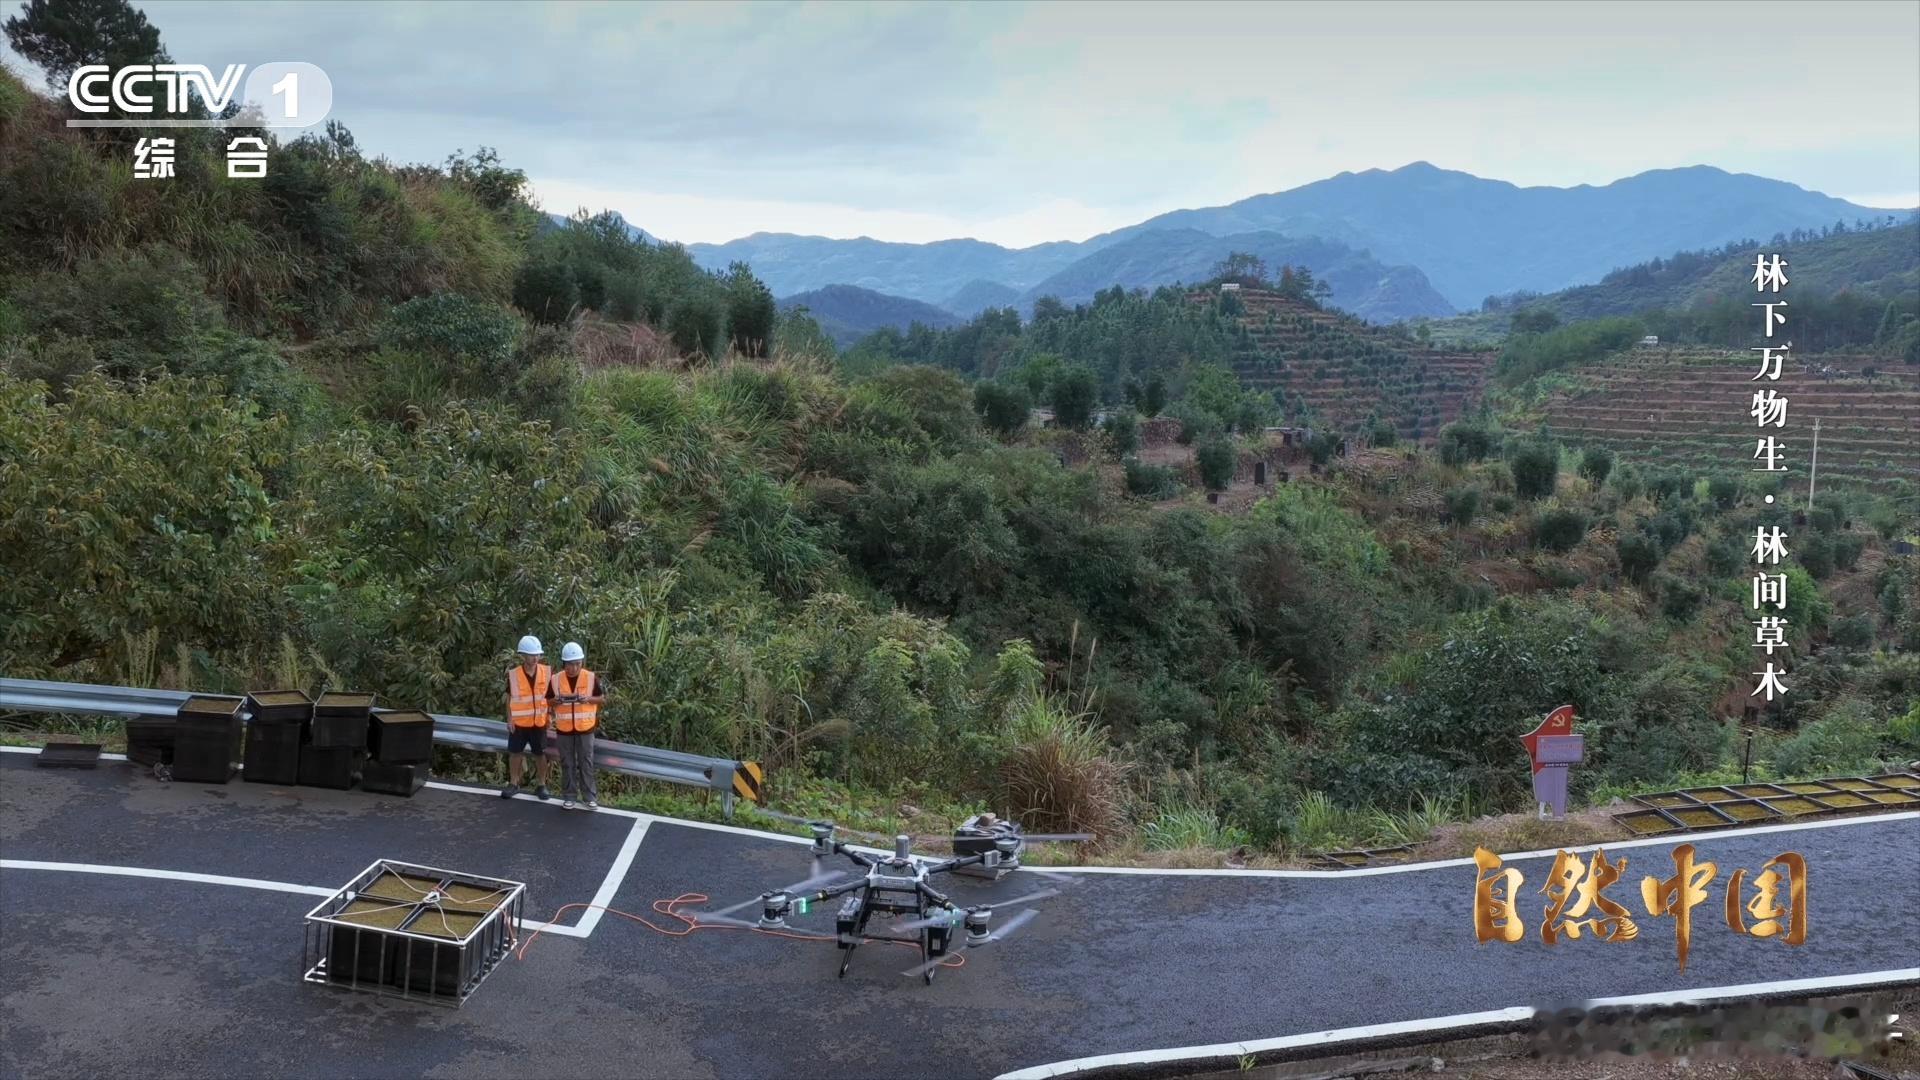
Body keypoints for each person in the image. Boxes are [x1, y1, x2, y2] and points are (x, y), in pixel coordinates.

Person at [550, 641, 607, 810]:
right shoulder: (555, 679)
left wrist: (588, 699)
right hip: (564, 729)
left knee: (586, 762)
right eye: (570, 664)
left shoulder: (590, 677)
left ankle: (589, 797)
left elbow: (601, 699)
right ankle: (569, 796)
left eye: (577, 664)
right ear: (564, 663)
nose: (574, 668)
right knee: (567, 763)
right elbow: (548, 701)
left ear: (582, 662)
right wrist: (556, 701)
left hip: (585, 728)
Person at [503, 634, 553, 800]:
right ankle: (513, 783)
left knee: (540, 754)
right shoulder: (514, 675)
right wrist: (510, 718)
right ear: (523, 655)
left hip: (539, 723)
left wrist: (550, 716)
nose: (535, 658)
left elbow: (550, 697)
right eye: (531, 655)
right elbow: (509, 698)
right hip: (519, 723)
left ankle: (541, 785)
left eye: (537, 654)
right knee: (515, 753)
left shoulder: (546, 672)